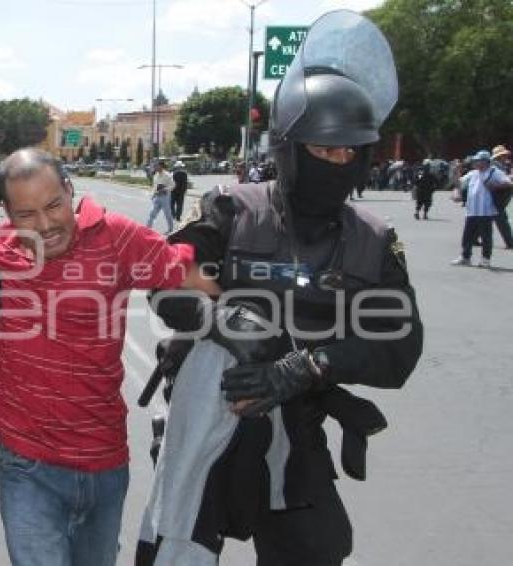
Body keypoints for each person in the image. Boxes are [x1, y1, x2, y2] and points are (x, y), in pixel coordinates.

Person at [141, 11, 423, 565]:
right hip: (212, 416)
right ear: (290, 147)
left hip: (296, 421)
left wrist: (302, 367)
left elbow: (399, 348)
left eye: (349, 151)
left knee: (319, 548)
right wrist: (228, 326)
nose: (338, 161)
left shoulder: (372, 239)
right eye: (323, 149)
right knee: (173, 543)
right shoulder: (228, 208)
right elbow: (165, 283)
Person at [0, 148, 216, 566]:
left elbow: (192, 275)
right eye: (27, 214)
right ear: (8, 216)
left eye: (54, 205)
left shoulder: (118, 236)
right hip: (26, 463)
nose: (46, 224)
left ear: (70, 191)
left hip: (104, 463)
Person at [451, 150, 512, 268]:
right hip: (472, 210)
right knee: (467, 236)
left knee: (486, 236)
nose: (475, 163)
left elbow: (509, 183)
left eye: (478, 161)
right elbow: (459, 183)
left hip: (486, 211)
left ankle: (485, 259)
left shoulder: (495, 172)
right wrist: (455, 172)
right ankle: (465, 257)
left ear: (485, 162)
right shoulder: (473, 173)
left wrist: (494, 186)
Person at [490, 145, 513, 248]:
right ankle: (510, 242)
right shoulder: (495, 167)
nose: (506, 157)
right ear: (499, 157)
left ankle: (473, 238)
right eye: (504, 155)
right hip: (496, 197)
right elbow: (498, 180)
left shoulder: (502, 166)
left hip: (500, 197)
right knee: (502, 220)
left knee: (483, 218)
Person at [146, 159, 174, 233]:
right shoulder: (156, 175)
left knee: (167, 214)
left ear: (161, 166)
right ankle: (147, 229)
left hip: (165, 197)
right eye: (155, 166)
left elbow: (173, 185)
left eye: (157, 165)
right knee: (152, 213)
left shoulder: (167, 175)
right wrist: (153, 195)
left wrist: (165, 189)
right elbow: (154, 186)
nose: (155, 167)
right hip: (157, 197)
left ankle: (170, 229)